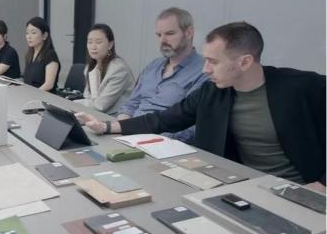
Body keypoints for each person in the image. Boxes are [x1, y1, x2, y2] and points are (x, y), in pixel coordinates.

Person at [76, 21, 325, 189]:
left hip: (298, 189)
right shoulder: (212, 92)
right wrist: (107, 127)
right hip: (243, 185)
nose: (205, 69)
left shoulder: (301, 87)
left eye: (213, 62)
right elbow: (164, 119)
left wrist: (323, 184)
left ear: (245, 62)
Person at [117, 7, 207, 142]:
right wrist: (120, 129)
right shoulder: (152, 66)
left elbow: (193, 123)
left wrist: (152, 139)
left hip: (163, 142)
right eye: (159, 35)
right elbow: (130, 105)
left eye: (170, 33)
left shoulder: (204, 71)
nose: (162, 40)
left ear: (189, 33)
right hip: (130, 136)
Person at [79, 23, 135, 115]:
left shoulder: (119, 69)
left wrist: (73, 106)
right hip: (96, 114)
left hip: (116, 117)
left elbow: (101, 106)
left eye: (98, 42)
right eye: (90, 42)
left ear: (110, 45)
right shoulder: (90, 67)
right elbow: (88, 98)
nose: (93, 47)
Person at [22, 16, 60, 92]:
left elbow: (49, 85)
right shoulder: (29, 55)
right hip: (30, 95)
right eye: (27, 33)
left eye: (33, 33)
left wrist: (31, 95)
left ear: (44, 35)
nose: (29, 36)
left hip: (44, 96)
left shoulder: (50, 55)